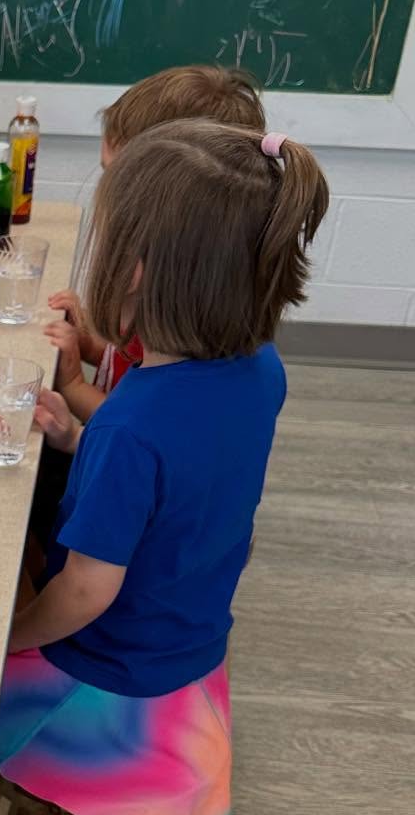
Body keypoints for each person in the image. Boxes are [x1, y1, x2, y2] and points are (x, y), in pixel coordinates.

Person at [0, 123, 328, 815]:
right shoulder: (261, 370)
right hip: (191, 660)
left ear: (135, 270)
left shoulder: (135, 425)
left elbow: (84, 596)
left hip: (110, 688)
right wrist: (81, 441)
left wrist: (2, 643)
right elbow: (188, 479)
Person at [27, 64, 268, 552]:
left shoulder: (176, 334)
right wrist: (92, 345)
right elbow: (130, 372)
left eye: (114, 183)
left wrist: (72, 386)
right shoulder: (186, 302)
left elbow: (134, 421)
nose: (104, 205)